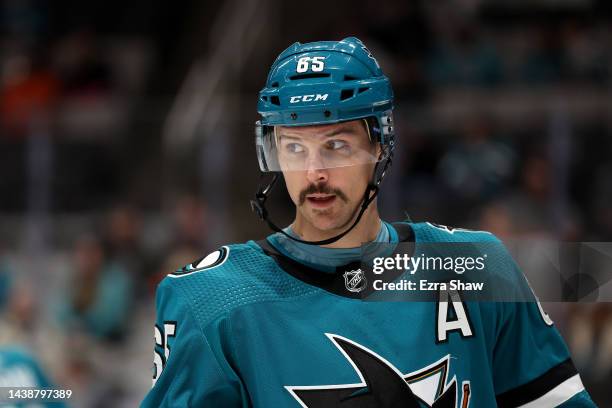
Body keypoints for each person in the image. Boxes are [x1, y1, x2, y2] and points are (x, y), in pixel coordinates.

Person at [142, 37, 595, 407]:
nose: (315, 171)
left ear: (380, 145)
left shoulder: (475, 265)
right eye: (295, 147)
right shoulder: (211, 300)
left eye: (336, 145)